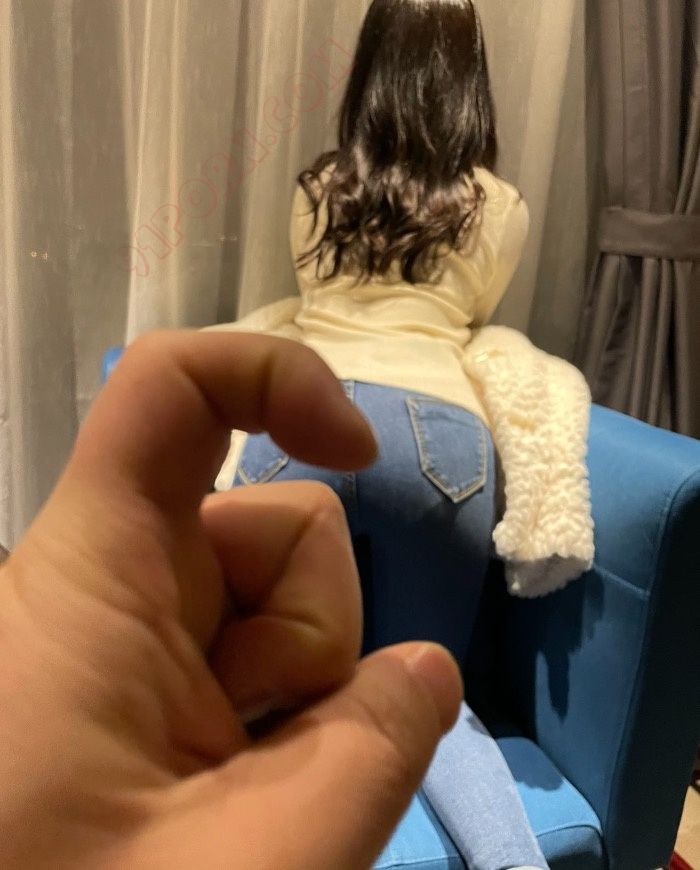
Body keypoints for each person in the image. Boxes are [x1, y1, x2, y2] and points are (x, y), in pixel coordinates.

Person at [228, 0, 550, 870]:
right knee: (429, 697)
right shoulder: (499, 207)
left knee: (254, 689)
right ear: (469, 76)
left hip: (307, 422)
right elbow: (472, 316)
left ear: (369, 65)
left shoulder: (316, 190)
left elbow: (313, 301)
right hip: (437, 441)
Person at [0, 330, 464, 868]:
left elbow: (263, 329)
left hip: (292, 439)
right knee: (455, 685)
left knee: (300, 685)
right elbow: (517, 371)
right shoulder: (458, 323)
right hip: (441, 429)